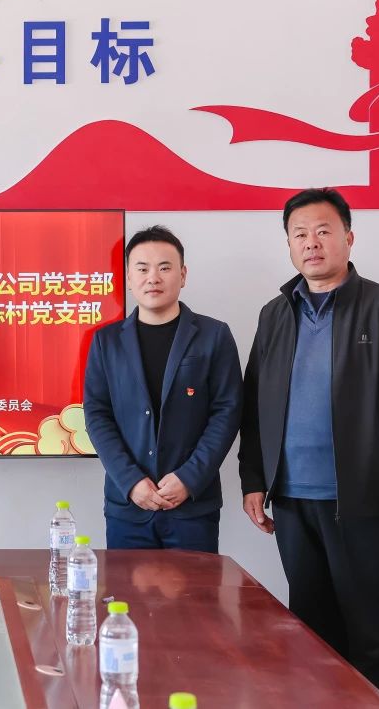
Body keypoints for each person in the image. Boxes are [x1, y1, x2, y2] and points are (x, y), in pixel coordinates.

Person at [238, 188, 379, 708]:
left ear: (348, 238)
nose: (312, 242)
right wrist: (253, 479)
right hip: (292, 499)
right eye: (300, 234)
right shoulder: (274, 315)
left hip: (365, 502)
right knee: (309, 634)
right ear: (288, 245)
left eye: (323, 231)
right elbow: (255, 404)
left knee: (372, 637)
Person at [83, 225, 243, 552]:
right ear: (129, 278)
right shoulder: (105, 342)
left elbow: (227, 413)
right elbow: (97, 416)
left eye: (165, 268)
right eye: (142, 269)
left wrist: (189, 478)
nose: (153, 278)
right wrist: (130, 481)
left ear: (182, 275)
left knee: (194, 588)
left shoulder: (214, 336)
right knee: (126, 588)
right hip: (129, 507)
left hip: (192, 507)